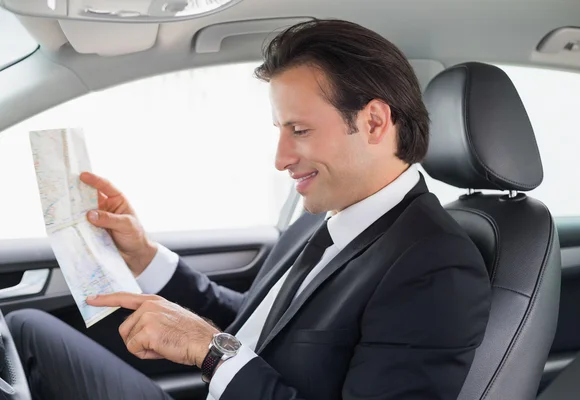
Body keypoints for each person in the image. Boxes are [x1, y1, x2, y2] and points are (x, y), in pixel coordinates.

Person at [6, 18, 491, 400]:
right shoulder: (320, 218)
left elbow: (230, 343)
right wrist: (144, 258)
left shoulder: (436, 265)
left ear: (374, 121)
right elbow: (260, 324)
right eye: (279, 131)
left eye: (298, 131)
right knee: (26, 327)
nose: (280, 158)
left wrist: (210, 351)